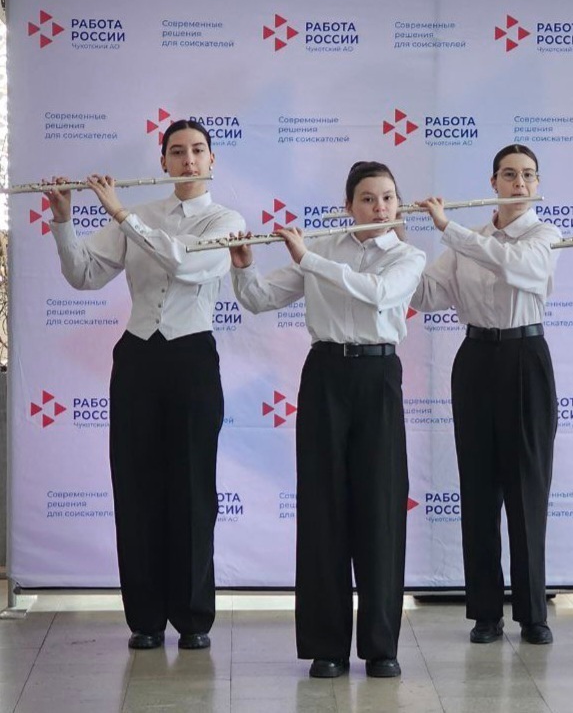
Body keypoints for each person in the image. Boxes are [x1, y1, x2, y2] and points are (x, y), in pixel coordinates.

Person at [46, 119, 245, 650]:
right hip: (137, 355)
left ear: (212, 160)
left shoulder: (226, 220)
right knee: (135, 486)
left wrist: (120, 214)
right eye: (177, 151)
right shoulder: (143, 214)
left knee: (192, 487)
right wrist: (64, 222)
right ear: (163, 162)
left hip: (191, 357)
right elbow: (84, 275)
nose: (187, 160)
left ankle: (193, 617)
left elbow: (184, 265)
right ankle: (146, 619)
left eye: (197, 150)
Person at [229, 161, 425, 679]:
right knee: (323, 507)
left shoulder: (408, 255)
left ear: (398, 204)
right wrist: (244, 267)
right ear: (349, 206)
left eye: (387, 198)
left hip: (378, 375)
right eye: (368, 199)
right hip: (325, 375)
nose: (379, 208)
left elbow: (377, 293)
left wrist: (309, 259)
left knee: (380, 507)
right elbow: (259, 300)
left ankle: (381, 646)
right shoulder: (322, 248)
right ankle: (327, 646)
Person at [411, 144, 560, 645]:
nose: (520, 183)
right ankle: (485, 613)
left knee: (527, 489)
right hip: (475, 358)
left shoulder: (544, 235)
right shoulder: (467, 241)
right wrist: (391, 250)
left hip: (525, 357)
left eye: (528, 175)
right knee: (478, 489)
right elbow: (427, 295)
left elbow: (517, 267)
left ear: (537, 184)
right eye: (509, 175)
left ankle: (533, 614)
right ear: (493, 182)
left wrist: (448, 229)